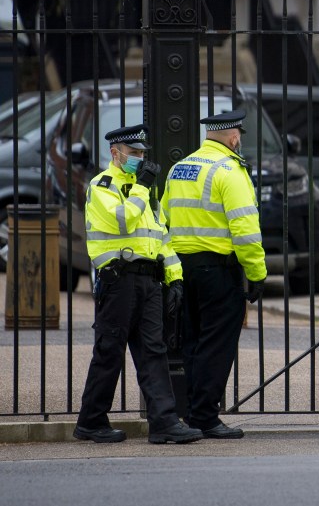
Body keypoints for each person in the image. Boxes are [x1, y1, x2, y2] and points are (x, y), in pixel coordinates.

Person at [75, 124, 201, 445]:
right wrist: (143, 188)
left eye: (143, 153)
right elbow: (123, 220)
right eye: (134, 153)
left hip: (147, 281)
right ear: (115, 154)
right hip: (118, 280)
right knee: (110, 351)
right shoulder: (103, 186)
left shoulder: (146, 191)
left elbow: (161, 238)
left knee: (153, 352)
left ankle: (164, 423)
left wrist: (175, 278)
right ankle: (91, 421)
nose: (141, 159)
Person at [162, 110, 266, 439]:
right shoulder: (229, 171)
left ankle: (191, 412)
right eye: (240, 136)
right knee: (216, 345)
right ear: (233, 137)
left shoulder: (180, 168)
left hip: (183, 267)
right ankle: (205, 417)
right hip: (218, 270)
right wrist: (257, 273)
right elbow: (245, 230)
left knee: (192, 342)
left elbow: (163, 217)